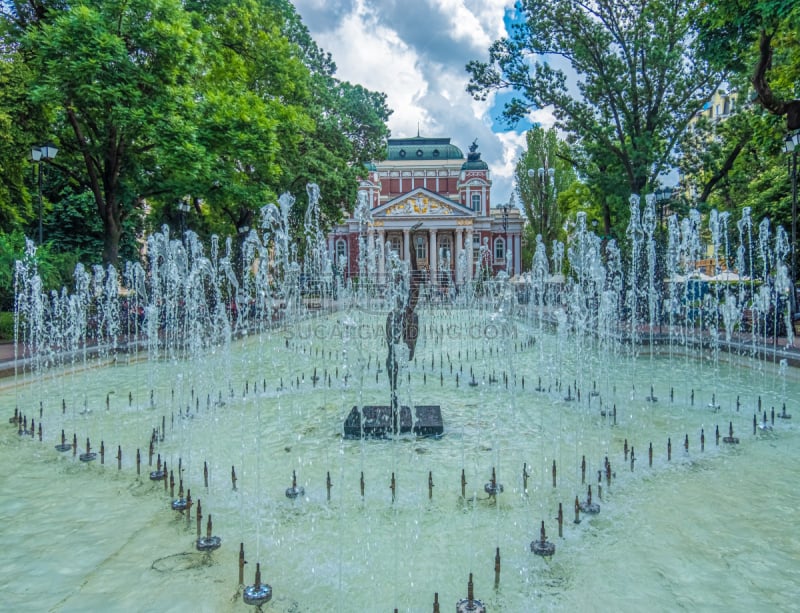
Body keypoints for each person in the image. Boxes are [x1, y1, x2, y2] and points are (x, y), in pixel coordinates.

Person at [386, 222, 423, 415]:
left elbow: (414, 261)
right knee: (391, 355)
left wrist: (411, 239)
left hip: (408, 320)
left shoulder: (414, 283)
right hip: (397, 318)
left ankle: (395, 392)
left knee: (407, 355)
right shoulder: (406, 285)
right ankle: (393, 395)